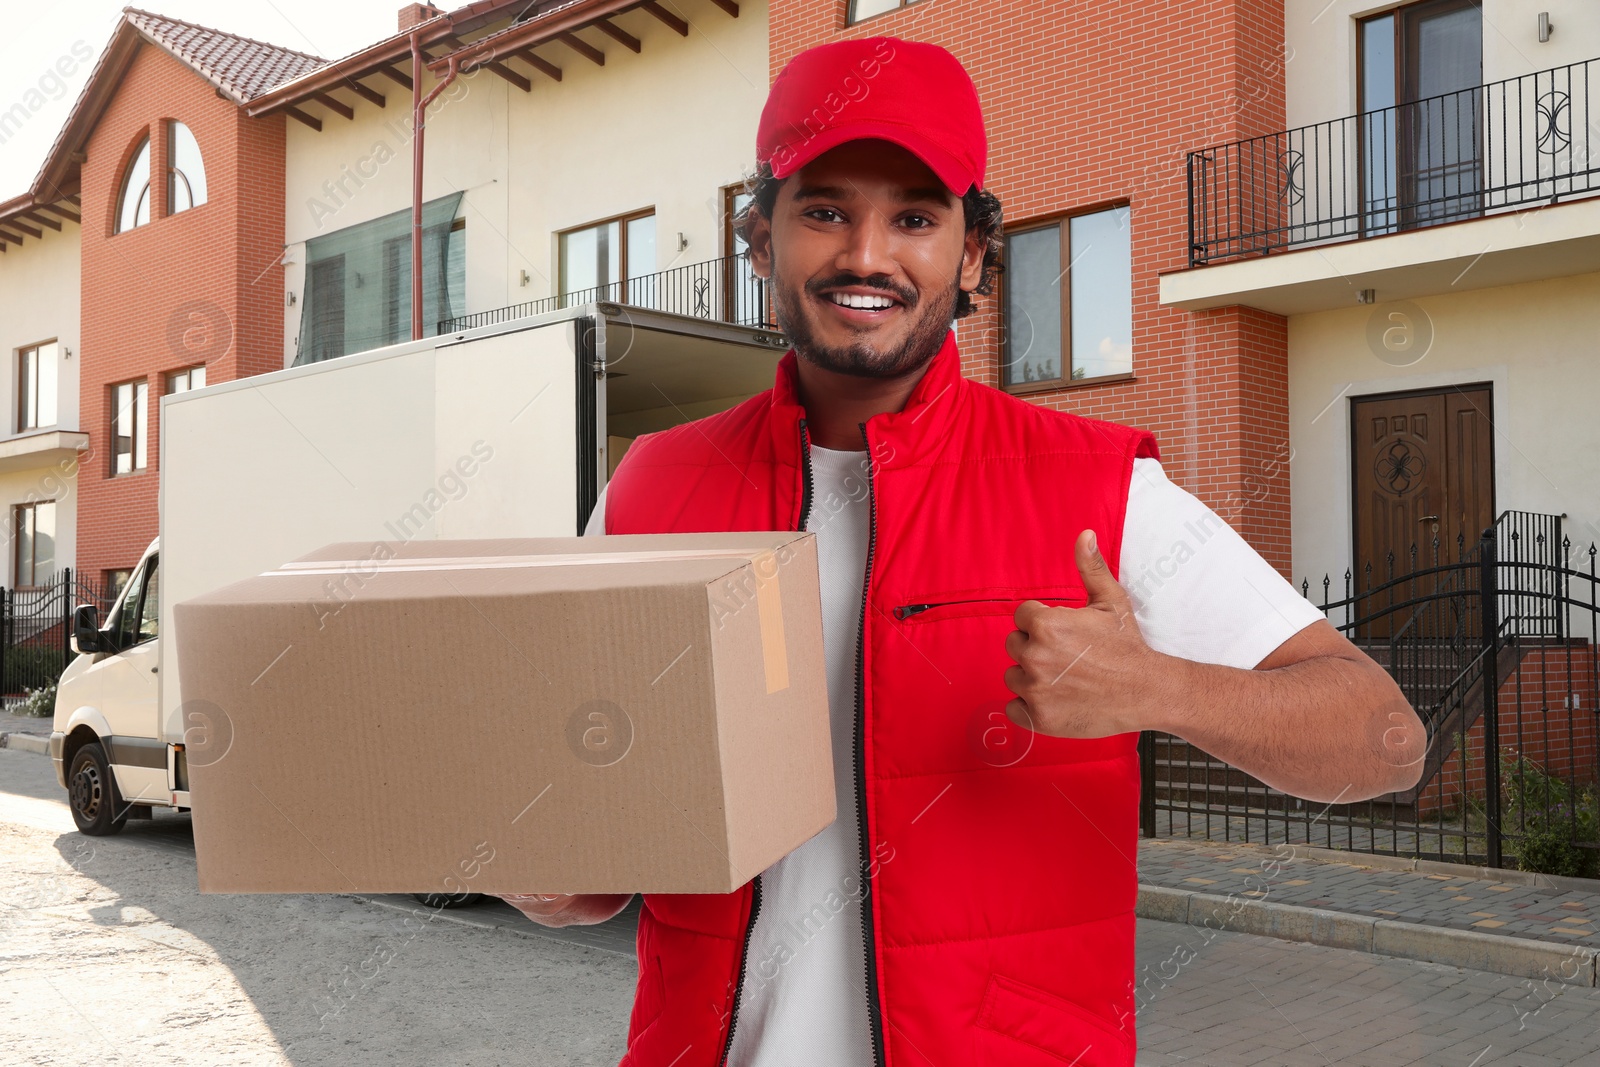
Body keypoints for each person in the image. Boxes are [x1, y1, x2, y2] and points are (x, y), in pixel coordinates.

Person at [502, 37, 1425, 1067]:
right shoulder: (652, 489)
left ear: (972, 253)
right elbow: (592, 877)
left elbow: (1386, 741)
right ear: (759, 240)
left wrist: (1162, 687)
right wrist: (543, 871)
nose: (865, 254)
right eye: (823, 210)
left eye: (912, 216)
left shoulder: (1097, 487)